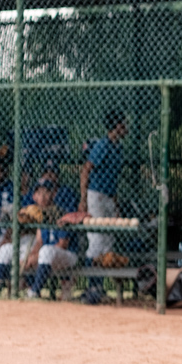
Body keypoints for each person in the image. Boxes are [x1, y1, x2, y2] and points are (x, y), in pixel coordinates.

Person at [80, 111, 127, 263]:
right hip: (96, 195)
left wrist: (116, 205)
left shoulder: (118, 147)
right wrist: (83, 199)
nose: (126, 127)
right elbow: (85, 170)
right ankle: (92, 282)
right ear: (116, 126)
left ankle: (99, 285)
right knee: (97, 240)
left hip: (109, 197)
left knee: (108, 242)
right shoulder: (103, 145)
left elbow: (113, 179)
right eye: (123, 124)